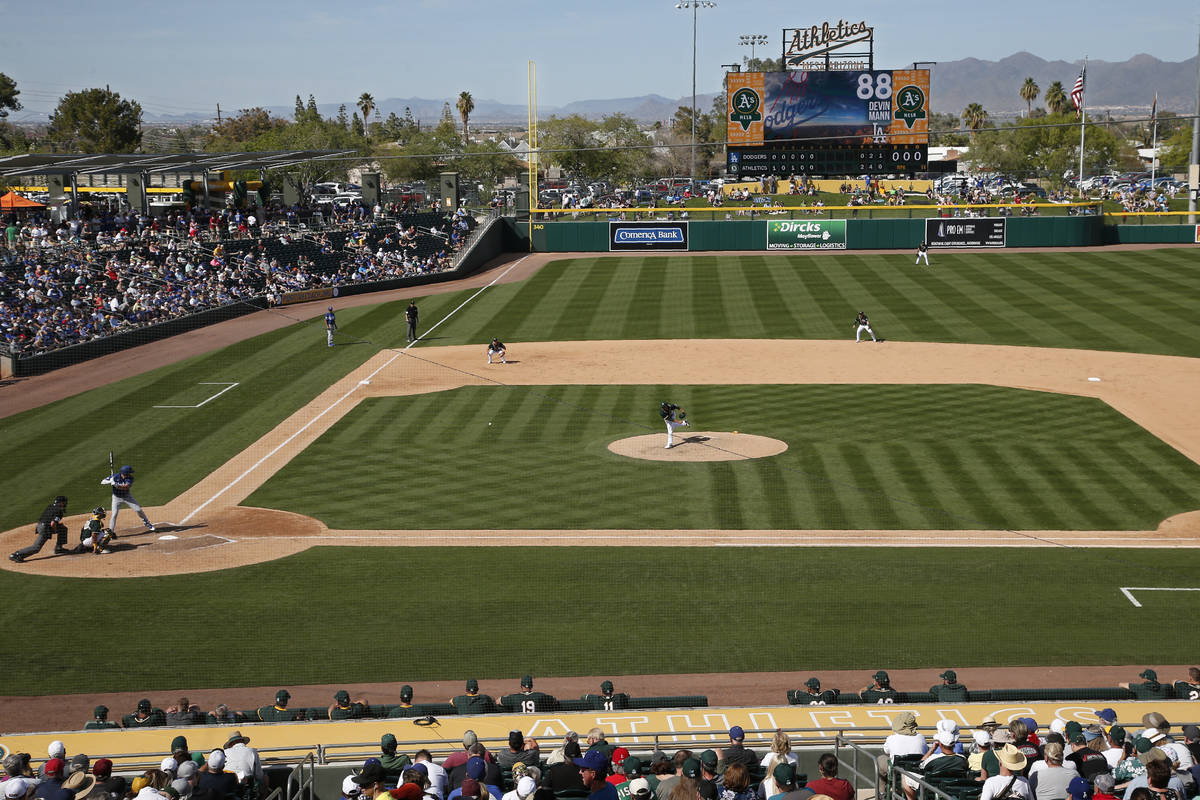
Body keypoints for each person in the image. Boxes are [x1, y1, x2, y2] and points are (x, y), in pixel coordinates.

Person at [10, 495, 70, 563]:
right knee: (36, 548)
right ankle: (17, 554)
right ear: (61, 503)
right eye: (64, 502)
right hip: (45, 528)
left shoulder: (50, 506)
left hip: (39, 525)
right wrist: (55, 530)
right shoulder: (59, 511)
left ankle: (59, 548)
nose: (65, 504)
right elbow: (53, 523)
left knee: (62, 528)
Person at [101, 466, 156, 533]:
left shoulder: (130, 478)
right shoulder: (115, 476)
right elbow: (102, 481)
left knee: (138, 509)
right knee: (114, 514)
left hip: (127, 497)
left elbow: (126, 487)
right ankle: (111, 532)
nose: (130, 474)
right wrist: (110, 481)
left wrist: (116, 485)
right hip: (116, 498)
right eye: (129, 473)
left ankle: (146, 522)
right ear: (125, 473)